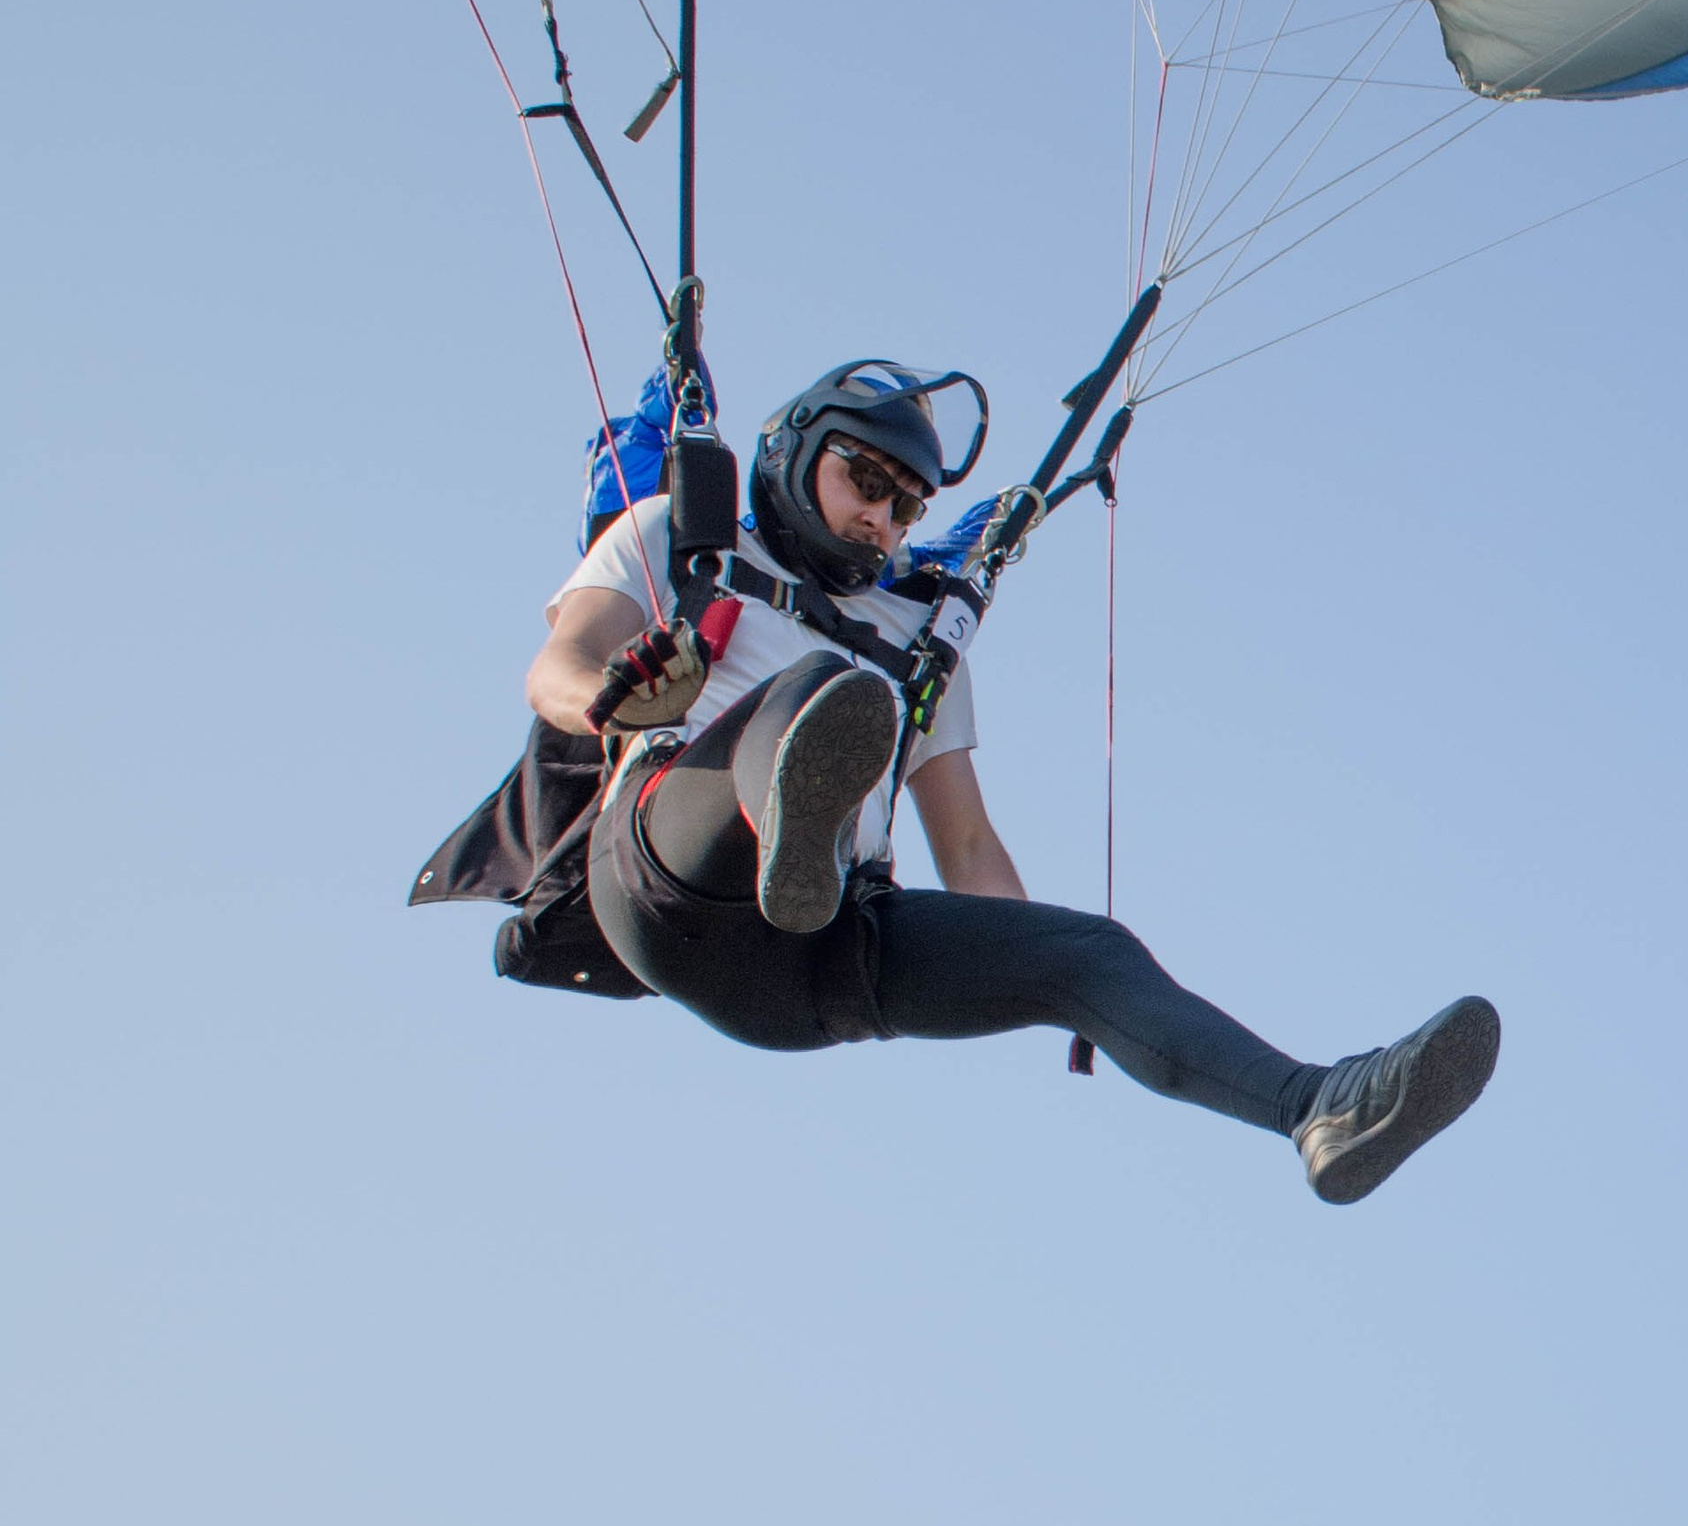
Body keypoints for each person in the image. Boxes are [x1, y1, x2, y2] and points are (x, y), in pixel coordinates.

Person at [527, 357, 1499, 1205]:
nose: (881, 517)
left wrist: (1034, 972)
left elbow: (967, 845)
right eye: (862, 479)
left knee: (1091, 952)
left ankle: (1320, 1108)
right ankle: (789, 834)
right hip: (667, 882)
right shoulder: (678, 536)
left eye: (907, 505)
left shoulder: (916, 643)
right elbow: (555, 671)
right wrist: (619, 703)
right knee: (820, 690)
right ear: (795, 449)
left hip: (811, 969)